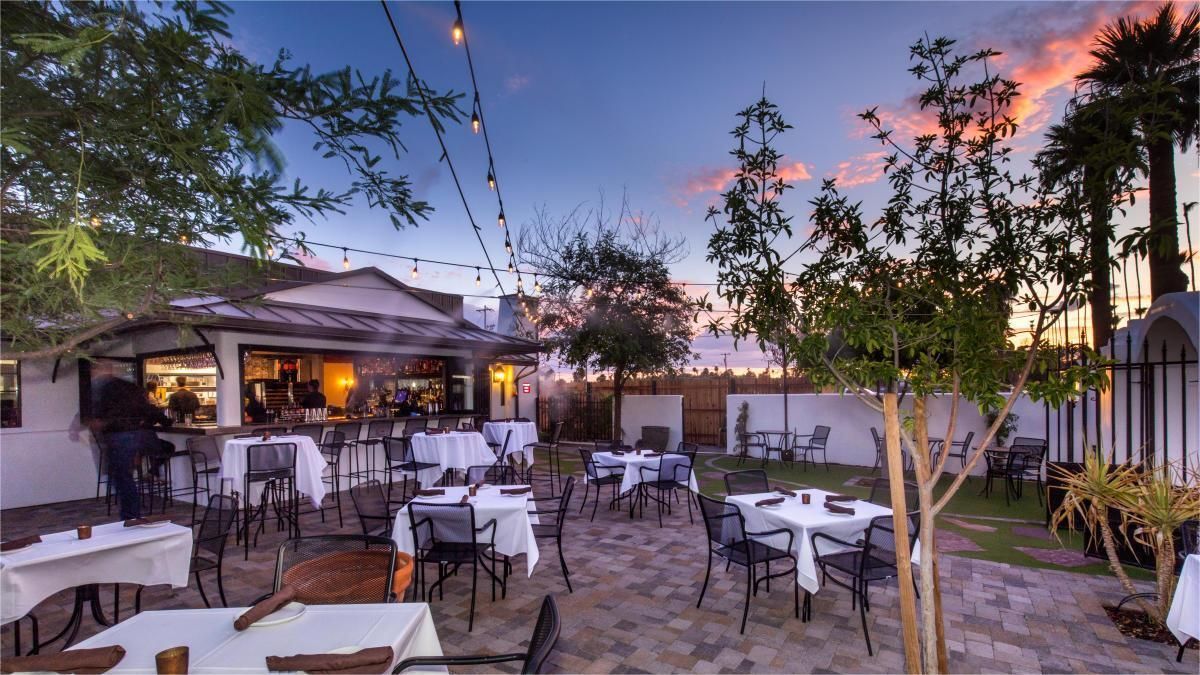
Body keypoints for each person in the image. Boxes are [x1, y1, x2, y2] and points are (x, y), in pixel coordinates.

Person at [88, 377, 170, 520]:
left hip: (118, 440)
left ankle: (131, 516)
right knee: (125, 478)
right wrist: (166, 421)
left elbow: (97, 420)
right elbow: (153, 413)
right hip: (136, 439)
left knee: (123, 478)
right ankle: (151, 473)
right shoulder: (131, 394)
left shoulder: (105, 393)